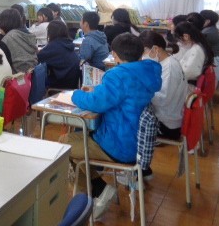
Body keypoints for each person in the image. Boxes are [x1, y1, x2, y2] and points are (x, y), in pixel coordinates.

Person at [64, 33, 162, 220]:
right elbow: (122, 96)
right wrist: (97, 91)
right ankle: (98, 188)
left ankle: (98, 191)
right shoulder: (148, 72)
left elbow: (96, 103)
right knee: (80, 139)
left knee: (64, 146)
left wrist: (76, 95)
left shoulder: (119, 75)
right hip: (136, 144)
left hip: (118, 145)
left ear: (115, 55)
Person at [140, 31, 188, 142]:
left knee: (126, 119)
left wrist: (141, 91)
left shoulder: (169, 68)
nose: (142, 56)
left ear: (156, 49)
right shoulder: (166, 62)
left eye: (143, 51)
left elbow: (162, 99)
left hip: (167, 125)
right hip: (166, 116)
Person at [38, 20, 80, 90]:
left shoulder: (54, 46)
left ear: (51, 33)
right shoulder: (68, 43)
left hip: (60, 84)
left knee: (36, 75)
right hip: (72, 82)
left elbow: (38, 58)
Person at [0, 8, 37, 74]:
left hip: (17, 75)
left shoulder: (9, 37)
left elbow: (1, 62)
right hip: (32, 72)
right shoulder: (28, 33)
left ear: (4, 22)